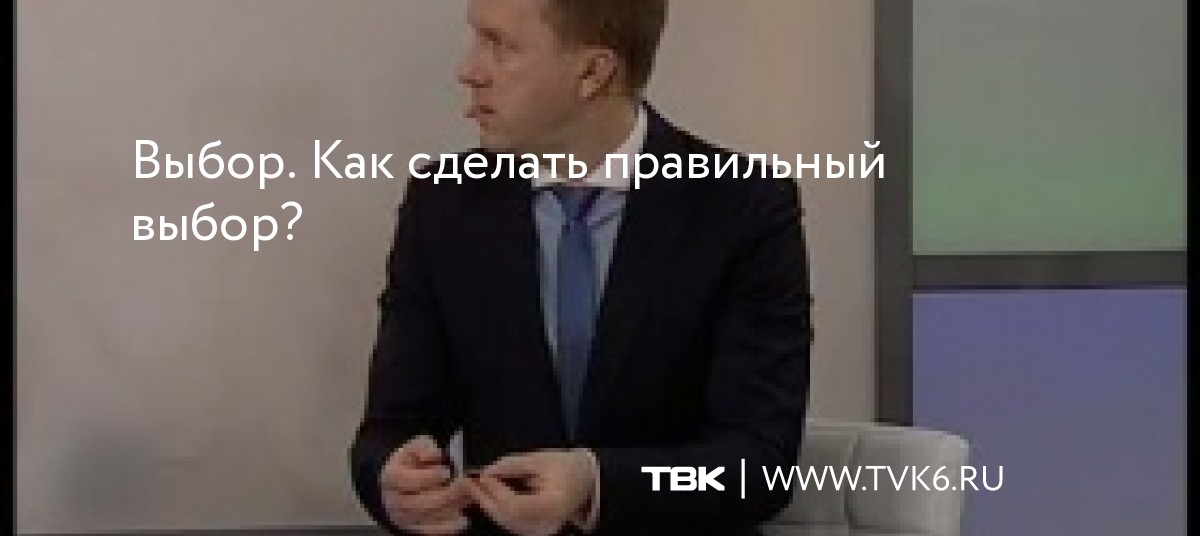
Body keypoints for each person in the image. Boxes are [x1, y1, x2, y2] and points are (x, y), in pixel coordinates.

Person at [349, 0, 813, 534]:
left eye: (500, 45)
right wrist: (393, 482)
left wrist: (597, 483)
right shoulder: (444, 204)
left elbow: (757, 467)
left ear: (593, 72)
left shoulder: (742, 208)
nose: (469, 70)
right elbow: (390, 430)